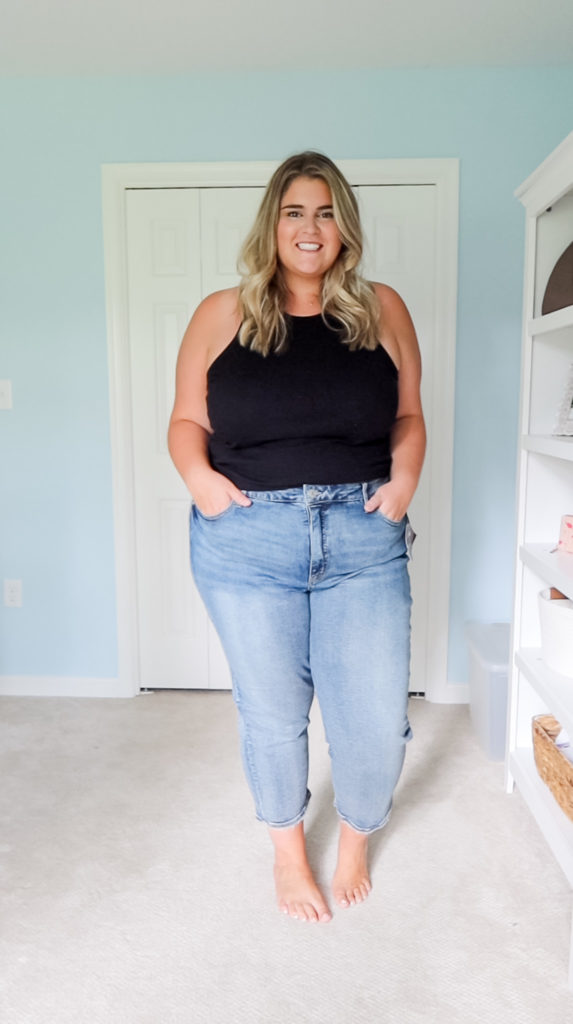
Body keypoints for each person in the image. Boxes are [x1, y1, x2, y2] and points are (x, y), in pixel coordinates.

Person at [168, 151, 425, 924]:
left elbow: (407, 414)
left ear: (342, 225)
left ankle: (354, 837)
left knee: (372, 712)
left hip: (360, 534)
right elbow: (186, 420)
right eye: (292, 212)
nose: (308, 228)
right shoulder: (223, 312)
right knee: (272, 713)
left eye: (323, 212)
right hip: (246, 542)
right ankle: (287, 854)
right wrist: (202, 484)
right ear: (271, 224)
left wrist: (404, 478)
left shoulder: (380, 307)